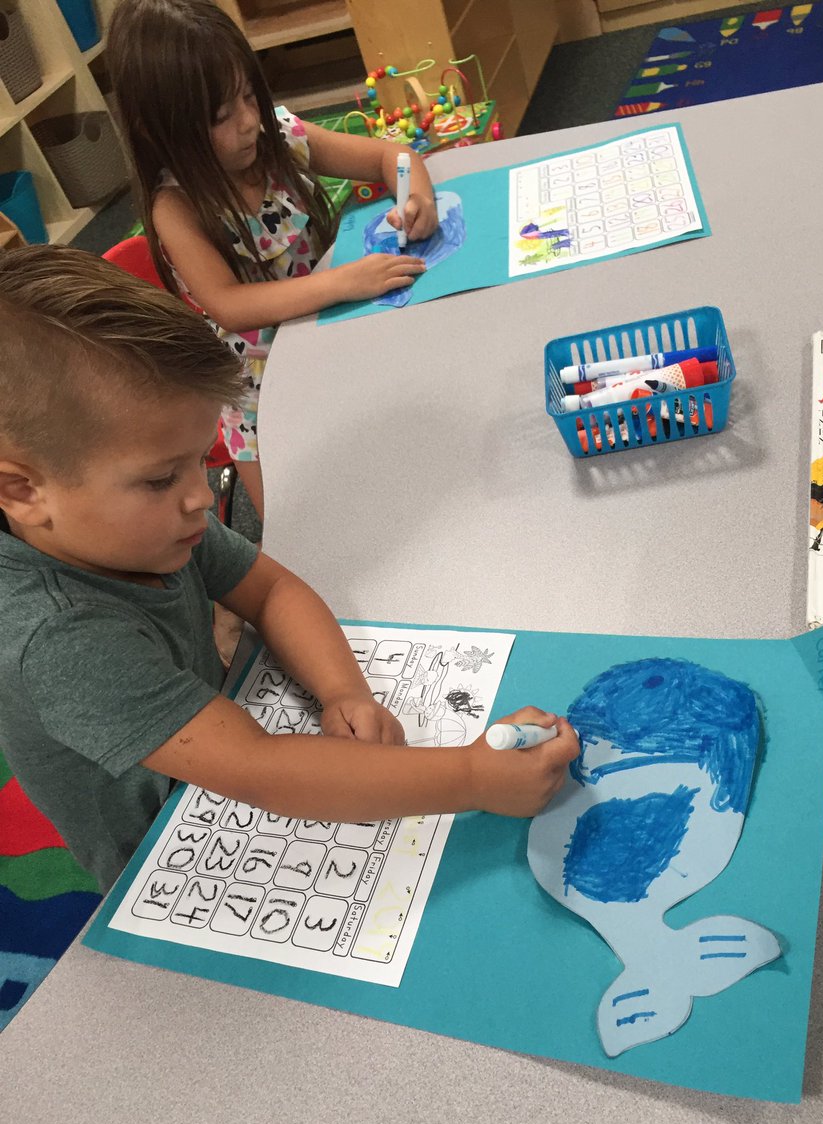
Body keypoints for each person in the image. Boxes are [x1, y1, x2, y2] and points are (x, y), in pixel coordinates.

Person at [0, 247, 578, 893]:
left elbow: (272, 590)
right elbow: (260, 769)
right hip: (155, 844)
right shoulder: (60, 637)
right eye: (162, 477)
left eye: (199, 459)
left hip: (207, 742)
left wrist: (343, 692)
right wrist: (472, 778)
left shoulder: (146, 525)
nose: (200, 496)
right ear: (22, 491)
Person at [107, 0, 438, 521]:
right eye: (221, 115)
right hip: (263, 389)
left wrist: (415, 196)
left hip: (337, 337)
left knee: (399, 468)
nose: (248, 122)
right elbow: (230, 305)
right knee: (300, 524)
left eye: (248, 95)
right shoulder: (177, 206)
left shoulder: (276, 136)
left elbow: (390, 156)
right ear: (159, 129)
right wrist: (343, 282)